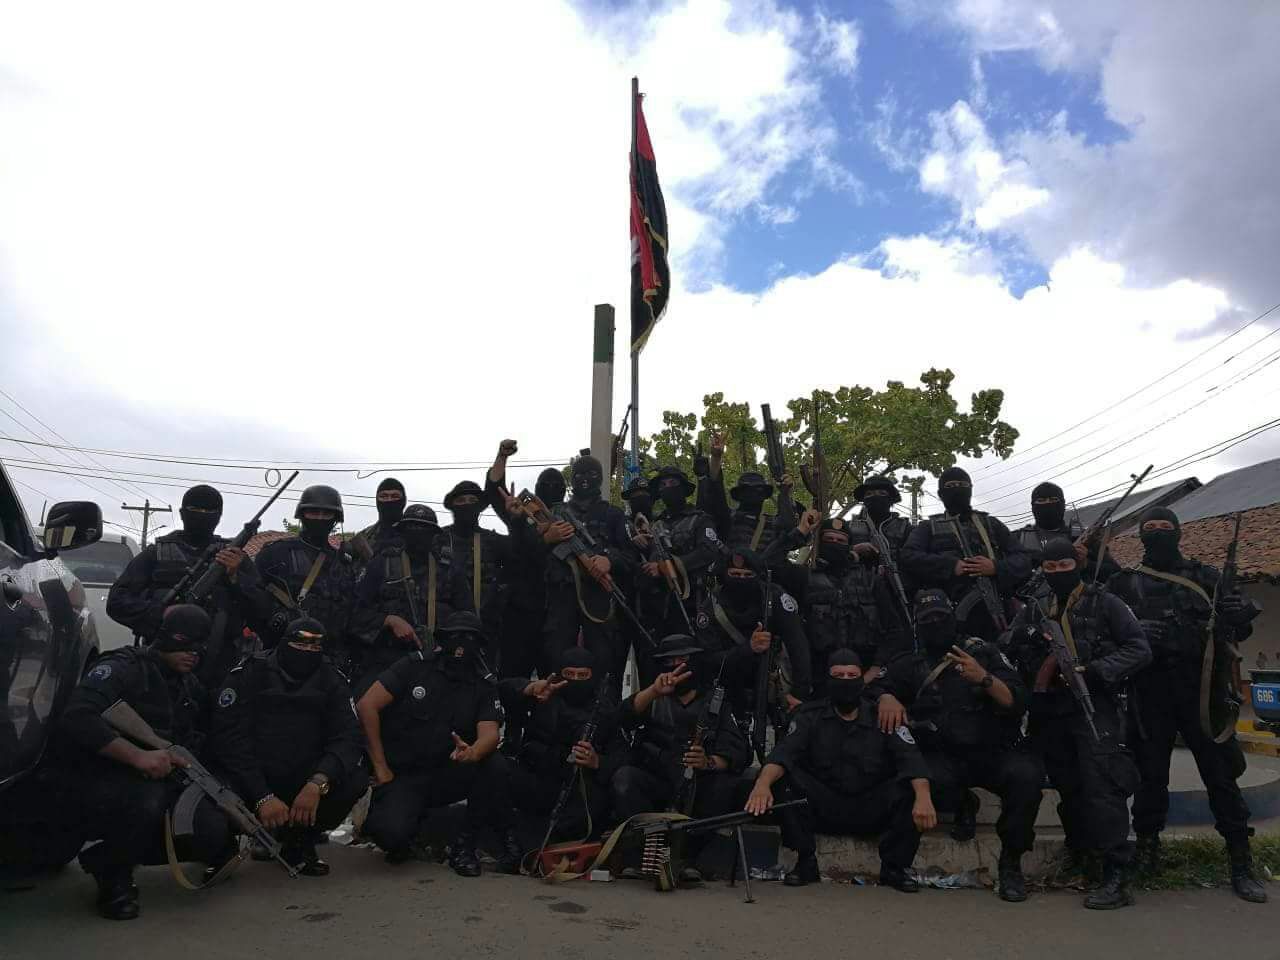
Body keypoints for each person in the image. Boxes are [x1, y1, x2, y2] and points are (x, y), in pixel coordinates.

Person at [1107, 507, 1267, 903]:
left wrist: (1241, 615)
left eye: (1165, 527)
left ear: (1178, 532)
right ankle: (1147, 851)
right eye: (1150, 528)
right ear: (1141, 536)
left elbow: (1238, 627)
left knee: (1220, 778)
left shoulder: (1207, 578)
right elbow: (1103, 633)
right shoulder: (1123, 584)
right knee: (1150, 777)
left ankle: (1240, 859)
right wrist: (1136, 631)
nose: (1158, 533)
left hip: (1202, 691)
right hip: (1149, 691)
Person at [55, 605, 232, 920]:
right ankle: (113, 873)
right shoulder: (124, 667)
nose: (192, 654)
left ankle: (115, 854)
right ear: (165, 638)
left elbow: (198, 739)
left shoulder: (189, 686)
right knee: (146, 805)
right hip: (106, 775)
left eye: (198, 648)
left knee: (212, 831)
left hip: (162, 776)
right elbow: (78, 715)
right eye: (184, 644)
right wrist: (136, 755)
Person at [1004, 537, 1150, 909]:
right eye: (1049, 569)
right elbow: (1007, 643)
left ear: (1077, 565)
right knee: (1068, 787)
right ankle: (1082, 855)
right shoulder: (1036, 609)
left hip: (1092, 705)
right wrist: (1028, 639)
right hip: (1049, 709)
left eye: (1063, 567)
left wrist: (1096, 671)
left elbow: (1138, 648)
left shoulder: (1106, 603)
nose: (1057, 574)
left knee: (1102, 788)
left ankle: (1116, 874)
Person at [869, 589, 1040, 901]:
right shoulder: (909, 663)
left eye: (941, 617)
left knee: (1027, 777)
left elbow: (1017, 700)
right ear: (918, 625)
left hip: (993, 752)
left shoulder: (983, 653)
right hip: (942, 755)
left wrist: (984, 678)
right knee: (908, 784)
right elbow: (876, 686)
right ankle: (895, 866)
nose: (935, 623)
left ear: (953, 617)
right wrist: (885, 696)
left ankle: (1011, 864)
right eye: (927, 620)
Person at [745, 649, 936, 892]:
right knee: (785, 781)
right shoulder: (810, 716)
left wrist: (923, 797)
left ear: (861, 679)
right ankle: (805, 862)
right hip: (826, 806)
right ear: (828, 680)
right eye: (839, 675)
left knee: (912, 787)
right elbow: (784, 754)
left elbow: (911, 759)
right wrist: (762, 785)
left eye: (851, 675)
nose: (845, 681)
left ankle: (895, 868)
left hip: (871, 806)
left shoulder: (883, 716)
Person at [355, 611, 519, 876]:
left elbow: (490, 732)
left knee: (495, 766)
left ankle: (465, 845)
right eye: (455, 637)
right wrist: (380, 766)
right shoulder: (414, 666)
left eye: (470, 639)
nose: (461, 645)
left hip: (448, 771)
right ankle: (411, 826)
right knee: (389, 835)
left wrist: (474, 752)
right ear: (442, 639)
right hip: (404, 773)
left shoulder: (482, 683)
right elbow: (367, 706)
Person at [207, 617, 367, 877]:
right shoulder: (251, 672)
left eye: (315, 648)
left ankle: (299, 841)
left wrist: (318, 782)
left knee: (354, 778)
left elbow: (349, 736)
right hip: (252, 774)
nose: (307, 653)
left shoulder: (331, 678)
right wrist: (262, 795)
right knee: (213, 788)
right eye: (300, 645)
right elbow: (228, 739)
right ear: (284, 643)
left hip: (305, 776)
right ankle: (223, 847)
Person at [612, 635, 751, 883]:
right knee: (625, 779)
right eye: (670, 661)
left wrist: (708, 761)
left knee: (724, 785)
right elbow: (620, 718)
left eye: (683, 659)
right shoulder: (653, 698)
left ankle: (692, 860)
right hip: (659, 780)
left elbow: (740, 752)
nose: (677, 666)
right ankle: (641, 856)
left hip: (698, 787)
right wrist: (653, 691)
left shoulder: (715, 704)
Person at [107, 484, 267, 686]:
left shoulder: (235, 558)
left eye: (209, 512)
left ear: (219, 516)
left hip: (221, 667)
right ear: (182, 513)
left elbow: (262, 612)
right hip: (163, 667)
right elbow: (117, 602)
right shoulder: (156, 553)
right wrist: (163, 616)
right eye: (195, 511)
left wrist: (236, 579)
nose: (202, 516)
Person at [769, 508, 907, 697]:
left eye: (840, 540)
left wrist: (873, 671)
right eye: (829, 539)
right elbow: (768, 563)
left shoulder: (871, 581)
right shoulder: (804, 578)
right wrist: (801, 531)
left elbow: (895, 631)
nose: (834, 544)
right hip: (818, 682)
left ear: (849, 546)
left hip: (865, 681)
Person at [534, 455, 638, 692]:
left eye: (591, 474)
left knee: (604, 665)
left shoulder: (613, 515)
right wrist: (547, 538)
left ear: (600, 479)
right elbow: (528, 554)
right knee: (555, 664)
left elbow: (630, 557)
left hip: (598, 599)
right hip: (560, 600)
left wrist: (608, 560)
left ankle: (603, 721)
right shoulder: (553, 513)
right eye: (579, 474)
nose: (584, 480)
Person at [500, 646, 625, 843]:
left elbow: (622, 755)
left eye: (582, 675)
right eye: (569, 674)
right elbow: (500, 690)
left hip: (578, 790)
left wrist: (597, 761)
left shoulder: (604, 710)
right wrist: (530, 688)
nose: (575, 680)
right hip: (538, 778)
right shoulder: (544, 697)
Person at [694, 550, 812, 756]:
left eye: (748, 575)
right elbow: (708, 660)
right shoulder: (710, 607)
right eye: (735, 574)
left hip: (771, 678)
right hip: (728, 680)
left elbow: (798, 646)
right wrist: (748, 648)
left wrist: (798, 695)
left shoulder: (774, 596)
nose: (741, 580)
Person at [901, 467, 1031, 641]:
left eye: (962, 485)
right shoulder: (928, 527)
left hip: (998, 610)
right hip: (949, 614)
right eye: (951, 485)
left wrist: (995, 567)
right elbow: (908, 556)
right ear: (941, 493)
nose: (957, 488)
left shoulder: (990, 524)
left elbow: (1023, 559)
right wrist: (950, 566)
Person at [349, 504, 469, 692]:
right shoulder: (381, 565)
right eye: (412, 528)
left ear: (434, 534)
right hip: (388, 661)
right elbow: (355, 616)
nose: (418, 533)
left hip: (439, 660)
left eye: (424, 529)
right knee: (363, 705)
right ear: (402, 532)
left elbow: (468, 619)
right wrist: (388, 620)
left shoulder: (449, 569)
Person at [254, 485, 357, 669]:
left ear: (336, 519)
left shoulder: (344, 565)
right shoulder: (275, 554)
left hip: (328, 660)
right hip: (281, 655)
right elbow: (252, 597)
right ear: (302, 515)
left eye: (326, 514)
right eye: (313, 512)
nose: (319, 518)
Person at [637, 465, 725, 639]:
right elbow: (652, 558)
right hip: (661, 604)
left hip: (694, 600)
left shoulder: (700, 519)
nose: (667, 487)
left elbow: (708, 552)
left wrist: (668, 567)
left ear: (683, 488)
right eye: (662, 485)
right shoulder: (656, 524)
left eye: (672, 482)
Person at [441, 479, 514, 669]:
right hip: (444, 628)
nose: (466, 504)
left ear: (480, 506)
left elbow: (524, 552)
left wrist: (515, 518)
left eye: (472, 499)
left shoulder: (493, 541)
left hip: (486, 628)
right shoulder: (438, 539)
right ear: (452, 505)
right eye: (461, 500)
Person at [700, 430, 796, 556]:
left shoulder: (772, 523)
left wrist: (785, 494)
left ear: (764, 495)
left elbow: (790, 530)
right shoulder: (729, 518)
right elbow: (715, 495)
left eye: (758, 490)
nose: (753, 494)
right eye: (748, 491)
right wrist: (716, 458)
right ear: (739, 495)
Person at [1013, 481, 1118, 585]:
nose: (1048, 504)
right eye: (1041, 500)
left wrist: (1086, 565)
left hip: (1080, 599)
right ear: (1033, 507)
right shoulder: (1020, 538)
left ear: (1063, 504)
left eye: (1053, 499)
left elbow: (1116, 573)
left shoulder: (1082, 537)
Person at [847, 475, 913, 569]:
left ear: (891, 499)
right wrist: (853, 549)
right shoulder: (848, 526)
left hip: (895, 580)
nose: (875, 497)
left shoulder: (905, 528)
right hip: (855, 580)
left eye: (882, 493)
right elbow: (833, 552)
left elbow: (915, 557)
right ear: (864, 500)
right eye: (869, 494)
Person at [347, 477, 407, 577]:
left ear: (403, 500)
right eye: (383, 496)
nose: (389, 500)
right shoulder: (364, 538)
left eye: (395, 496)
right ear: (377, 501)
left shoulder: (415, 532)